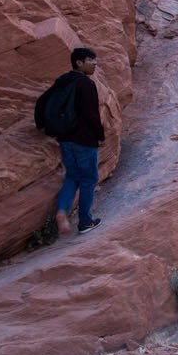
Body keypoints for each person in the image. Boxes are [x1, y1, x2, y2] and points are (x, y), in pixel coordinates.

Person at [35, 47, 105, 235]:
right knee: (89, 179)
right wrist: (100, 136)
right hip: (84, 140)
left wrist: (41, 124)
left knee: (72, 176)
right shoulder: (85, 84)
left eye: (95, 60)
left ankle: (62, 211)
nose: (95, 64)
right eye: (91, 60)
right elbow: (91, 115)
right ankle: (85, 222)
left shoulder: (62, 82)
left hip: (65, 139)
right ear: (79, 63)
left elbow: (41, 102)